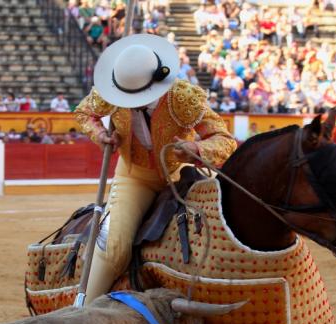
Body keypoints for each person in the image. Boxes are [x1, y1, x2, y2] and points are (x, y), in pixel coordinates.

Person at [74, 34, 236, 303]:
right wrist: (100, 134)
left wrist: (197, 150)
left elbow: (225, 140)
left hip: (183, 179)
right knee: (115, 248)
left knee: (216, 238)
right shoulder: (114, 90)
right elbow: (84, 113)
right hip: (134, 176)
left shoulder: (183, 97)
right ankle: (82, 311)